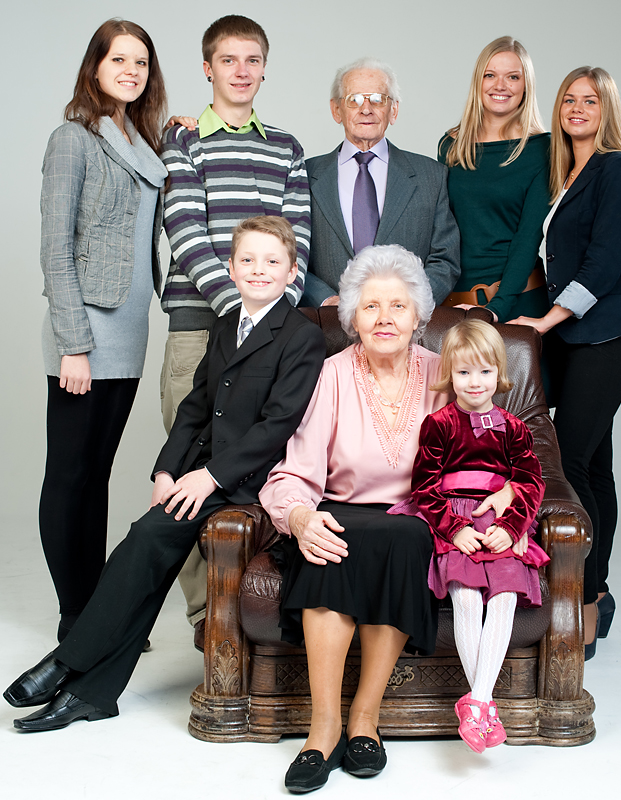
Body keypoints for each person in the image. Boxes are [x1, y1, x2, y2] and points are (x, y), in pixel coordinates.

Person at [4, 217, 327, 732]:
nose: (258, 270)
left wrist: (208, 478)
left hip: (255, 481)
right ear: (230, 268)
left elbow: (277, 426)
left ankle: (66, 663)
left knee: (147, 538)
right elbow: (196, 407)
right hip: (205, 473)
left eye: (272, 261)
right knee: (149, 551)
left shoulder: (302, 337)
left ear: (292, 272)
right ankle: (92, 694)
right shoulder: (225, 324)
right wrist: (167, 469)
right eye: (247, 259)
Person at [258, 246, 513, 793]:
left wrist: (505, 497)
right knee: (328, 537)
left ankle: (364, 720)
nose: (385, 318)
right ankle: (322, 729)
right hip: (342, 508)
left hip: (419, 516)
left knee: (402, 538)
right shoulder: (331, 374)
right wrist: (299, 516)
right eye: (371, 306)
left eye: (398, 305)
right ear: (352, 317)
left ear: (419, 315)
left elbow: (492, 449)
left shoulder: (444, 372)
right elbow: (296, 468)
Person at [160, 15, 312, 642]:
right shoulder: (184, 141)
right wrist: (241, 312)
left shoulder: (287, 148)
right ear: (208, 68)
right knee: (193, 466)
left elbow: (297, 240)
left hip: (268, 329)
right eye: (228, 60)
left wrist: (269, 319)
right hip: (202, 323)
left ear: (264, 69)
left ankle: (262, 603)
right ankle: (209, 617)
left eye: (252, 60)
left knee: (258, 459)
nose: (241, 70)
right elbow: (185, 229)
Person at [508, 67, 621, 659]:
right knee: (593, 465)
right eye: (568, 99)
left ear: (606, 109)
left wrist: (544, 322)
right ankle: (601, 592)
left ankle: (582, 600)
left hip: (606, 333)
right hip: (572, 338)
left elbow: (605, 260)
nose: (577, 109)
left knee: (568, 463)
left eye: (589, 101)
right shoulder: (562, 172)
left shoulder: (620, 169)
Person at [38, 19, 168, 643]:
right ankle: (75, 617)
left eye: (141, 63)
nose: (131, 71)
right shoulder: (73, 139)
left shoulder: (144, 142)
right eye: (119, 60)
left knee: (98, 476)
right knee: (70, 476)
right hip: (84, 333)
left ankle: (92, 608)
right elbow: (55, 248)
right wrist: (73, 345)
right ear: (95, 66)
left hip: (130, 329)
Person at [389, 319, 549, 752]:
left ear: (499, 373)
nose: (474, 382)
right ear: (450, 374)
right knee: (466, 597)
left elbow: (530, 481)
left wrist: (512, 526)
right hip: (453, 518)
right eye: (463, 372)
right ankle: (483, 707)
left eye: (484, 371)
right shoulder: (439, 423)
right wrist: (455, 529)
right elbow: (424, 487)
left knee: (504, 597)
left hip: (500, 522)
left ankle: (477, 701)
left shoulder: (514, 427)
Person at [301, 57, 460, 308]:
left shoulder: (431, 175)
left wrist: (405, 304)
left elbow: (446, 258)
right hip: (325, 322)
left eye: (378, 99)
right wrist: (326, 300)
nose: (366, 109)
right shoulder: (305, 175)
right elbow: (290, 254)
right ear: (336, 109)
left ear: (393, 110)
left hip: (405, 324)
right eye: (354, 99)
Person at [438, 37, 550, 322]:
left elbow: (528, 238)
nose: (500, 85)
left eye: (513, 77)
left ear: (526, 86)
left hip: (517, 305)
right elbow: (439, 231)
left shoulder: (542, 150)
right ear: (478, 81)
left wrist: (496, 309)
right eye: (490, 75)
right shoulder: (451, 146)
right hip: (455, 306)